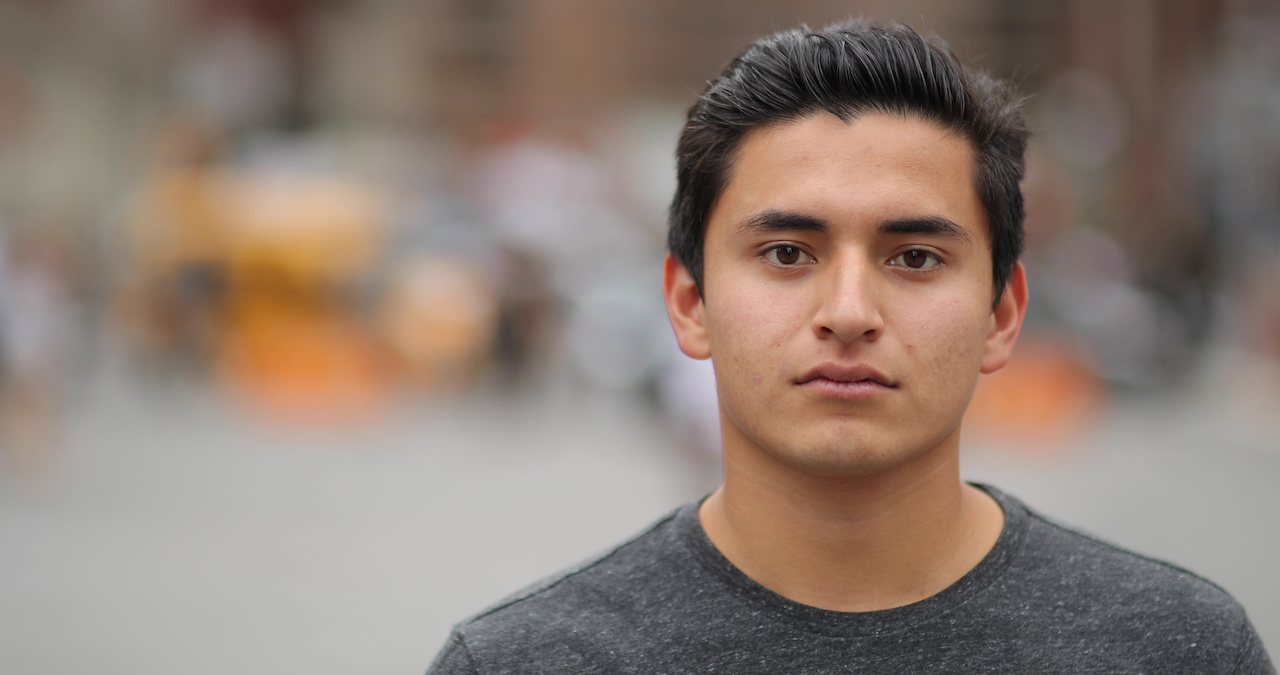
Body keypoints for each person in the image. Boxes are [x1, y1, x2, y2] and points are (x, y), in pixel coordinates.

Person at [426, 20, 1275, 674]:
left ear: (1002, 314)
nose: (849, 310)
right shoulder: (528, 661)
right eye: (788, 253)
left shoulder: (1174, 649)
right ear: (689, 302)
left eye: (914, 257)